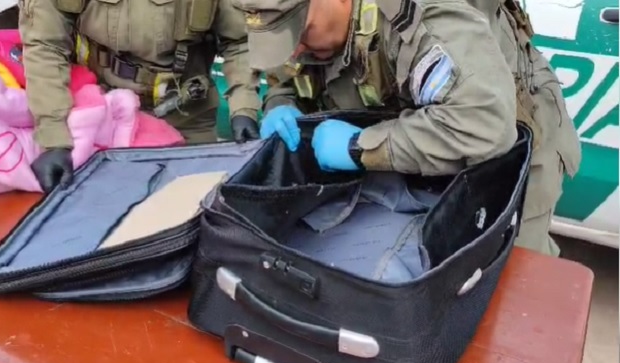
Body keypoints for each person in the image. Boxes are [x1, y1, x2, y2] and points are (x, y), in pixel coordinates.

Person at [233, 0, 581, 256]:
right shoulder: (306, 30)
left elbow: (484, 125)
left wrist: (359, 147)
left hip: (510, 145)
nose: (295, 51)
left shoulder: (420, 18)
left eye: (302, 33)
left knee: (513, 277)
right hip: (413, 140)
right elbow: (285, 73)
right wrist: (279, 103)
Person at [20, 0, 262, 192]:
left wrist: (244, 108)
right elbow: (45, 45)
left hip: (185, 113)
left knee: (194, 205)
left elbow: (241, 42)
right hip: (101, 117)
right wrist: (53, 137)